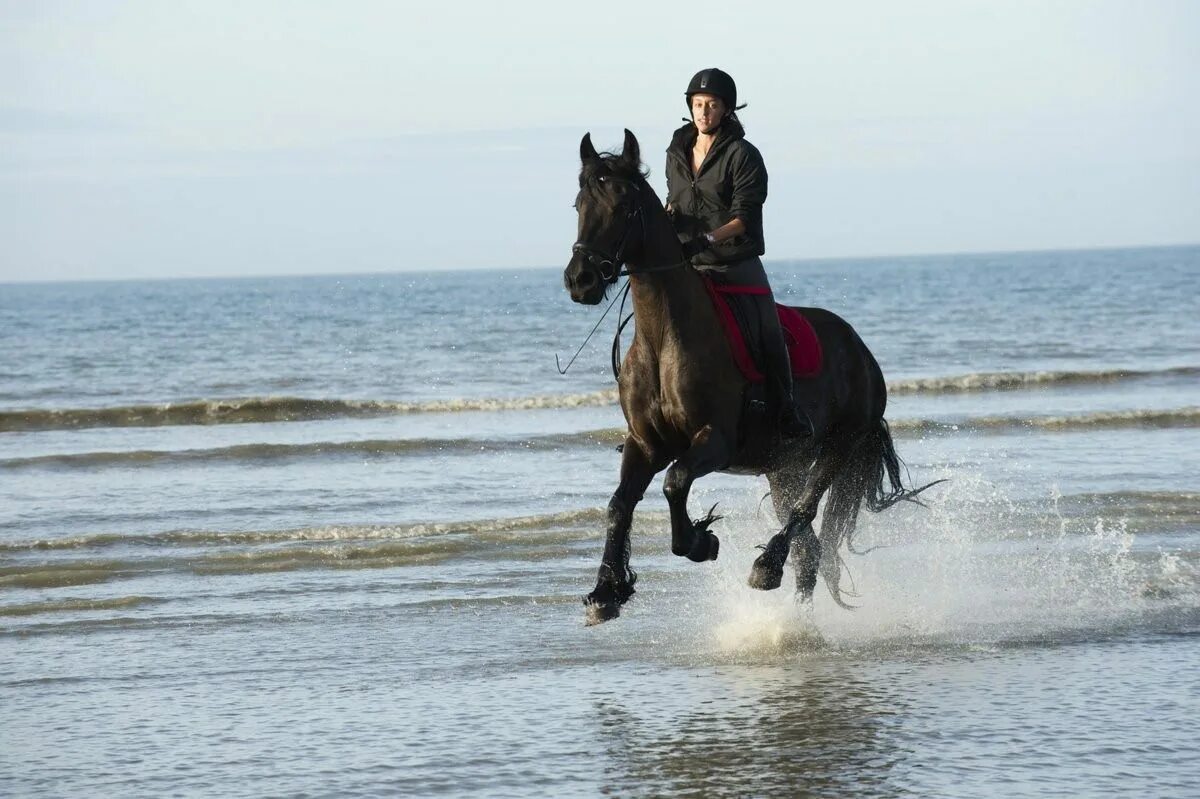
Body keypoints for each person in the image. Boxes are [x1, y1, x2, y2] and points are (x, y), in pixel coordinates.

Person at [664, 67, 812, 438]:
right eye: (697, 104)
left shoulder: (743, 155)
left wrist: (708, 240)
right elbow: (674, 202)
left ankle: (787, 409)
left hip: (735, 262)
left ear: (727, 109)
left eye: (711, 105)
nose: (703, 112)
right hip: (688, 263)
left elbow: (743, 218)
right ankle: (652, 419)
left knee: (767, 330)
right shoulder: (676, 152)